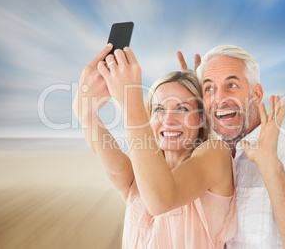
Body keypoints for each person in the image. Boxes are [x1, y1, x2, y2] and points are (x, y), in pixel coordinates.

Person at [73, 44, 270, 248]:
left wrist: (128, 98)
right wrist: (84, 108)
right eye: (158, 109)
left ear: (202, 119)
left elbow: (162, 199)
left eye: (182, 108)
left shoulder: (215, 154)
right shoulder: (138, 178)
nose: (168, 119)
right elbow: (97, 138)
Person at [177, 45, 285, 248]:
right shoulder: (208, 156)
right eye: (209, 88)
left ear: (257, 94)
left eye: (231, 85)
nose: (219, 98)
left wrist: (270, 167)